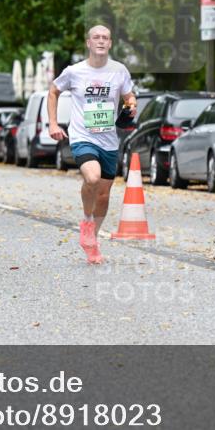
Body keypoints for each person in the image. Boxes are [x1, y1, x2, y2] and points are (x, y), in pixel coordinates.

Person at [48, 25, 136, 264]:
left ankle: (92, 240)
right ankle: (87, 220)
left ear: (110, 43)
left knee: (105, 195)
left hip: (108, 140)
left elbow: (129, 96)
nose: (100, 41)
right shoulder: (74, 71)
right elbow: (53, 91)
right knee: (93, 178)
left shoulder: (119, 70)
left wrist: (131, 104)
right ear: (88, 43)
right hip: (82, 137)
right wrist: (53, 124)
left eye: (105, 37)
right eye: (96, 37)